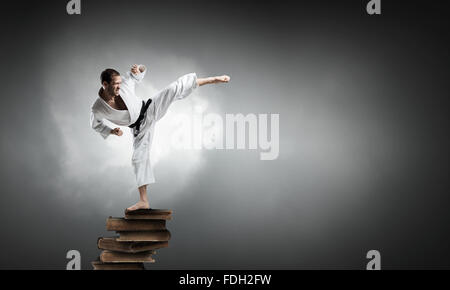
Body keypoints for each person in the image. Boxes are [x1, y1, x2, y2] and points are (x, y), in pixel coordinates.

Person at [90, 64, 230, 211]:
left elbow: (137, 74)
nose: (119, 86)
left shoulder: (125, 84)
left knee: (173, 89)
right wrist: (112, 131)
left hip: (150, 108)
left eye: (120, 83)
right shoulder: (97, 108)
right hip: (140, 129)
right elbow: (96, 124)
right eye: (115, 84)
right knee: (138, 158)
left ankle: (213, 79)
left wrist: (140, 69)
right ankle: (144, 201)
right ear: (105, 85)